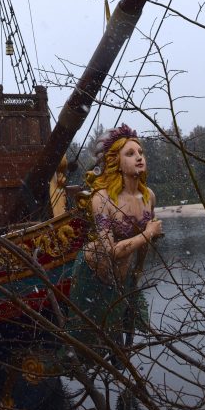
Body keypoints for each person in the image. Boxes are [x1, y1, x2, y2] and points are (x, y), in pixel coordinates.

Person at [66, 125, 163, 357]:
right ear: (116, 162)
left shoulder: (148, 196)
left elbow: (144, 245)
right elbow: (111, 251)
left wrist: (138, 271)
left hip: (123, 271)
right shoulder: (102, 199)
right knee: (85, 339)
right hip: (93, 272)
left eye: (140, 152)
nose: (139, 157)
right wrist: (148, 234)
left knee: (120, 330)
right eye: (130, 153)